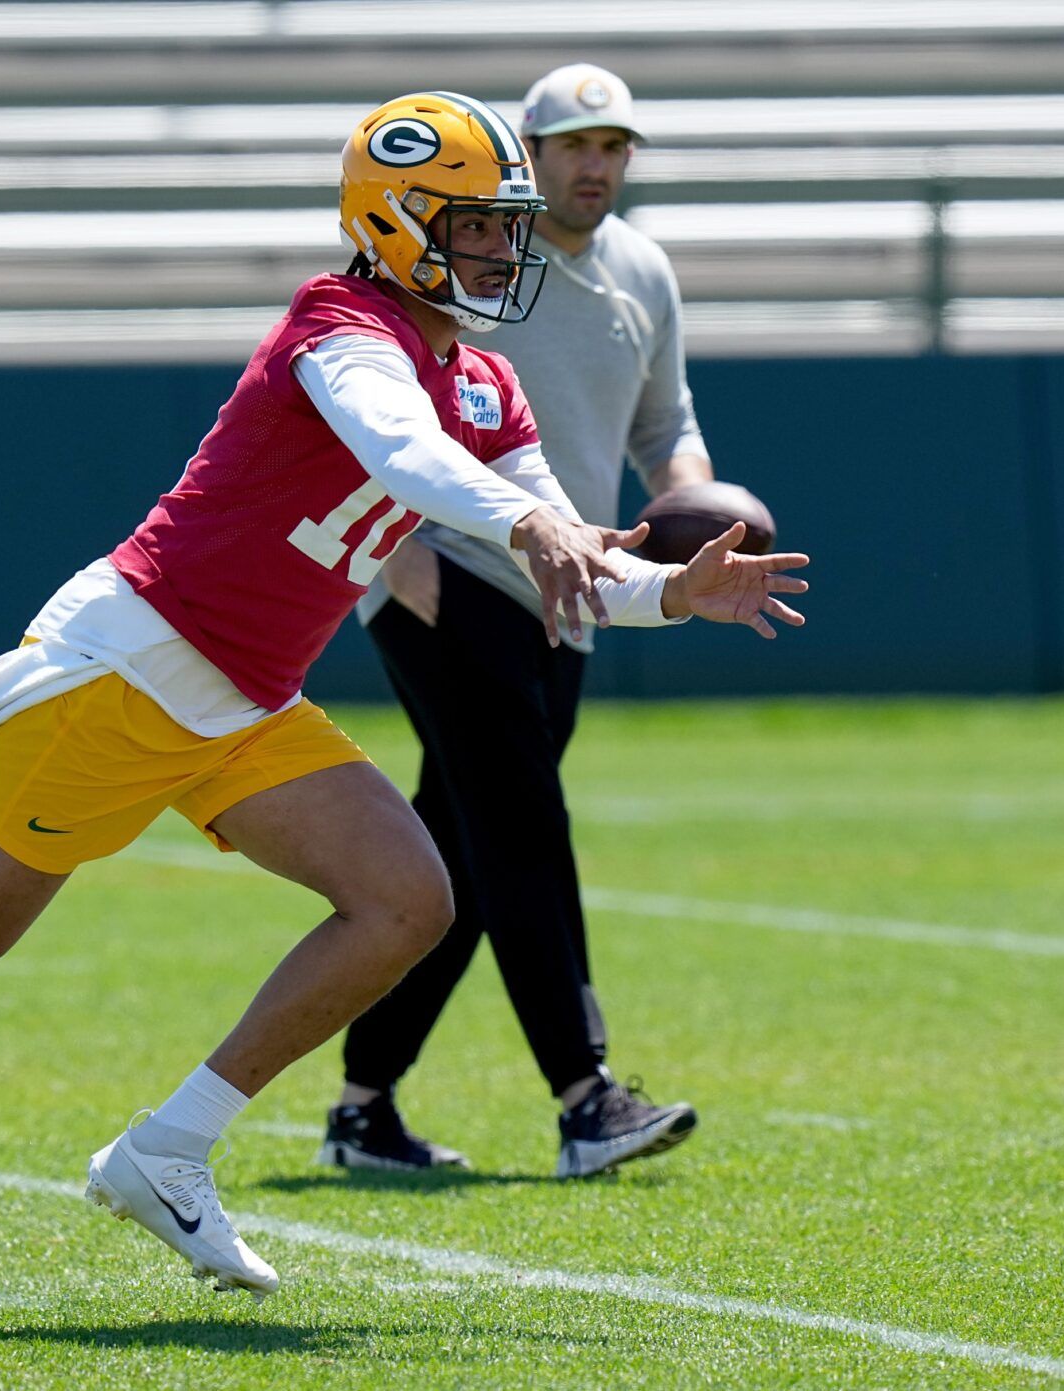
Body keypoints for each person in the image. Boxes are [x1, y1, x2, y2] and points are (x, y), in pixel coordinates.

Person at [0, 90, 809, 1328]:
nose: (500, 253)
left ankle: (168, 1147)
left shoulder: (486, 383)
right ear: (396, 221)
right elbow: (403, 454)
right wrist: (529, 519)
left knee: (407, 898)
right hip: (131, 668)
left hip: (244, 699)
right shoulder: (336, 323)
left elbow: (566, 561)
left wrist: (676, 588)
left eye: (504, 229)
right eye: (474, 228)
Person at [323, 66, 737, 1181]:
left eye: (614, 145)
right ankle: (584, 1091)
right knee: (523, 828)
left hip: (576, 585)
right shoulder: (470, 253)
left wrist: (702, 511)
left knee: (455, 851)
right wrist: (391, 548)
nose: (594, 164)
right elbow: (376, 396)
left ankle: (363, 1103)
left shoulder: (644, 270)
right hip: (450, 575)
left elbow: (668, 426)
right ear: (531, 155)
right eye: (572, 145)